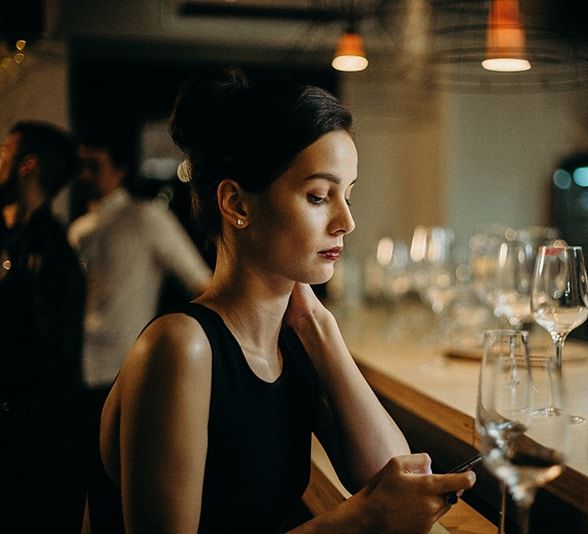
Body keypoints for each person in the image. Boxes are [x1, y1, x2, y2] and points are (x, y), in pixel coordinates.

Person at [86, 68, 476, 533]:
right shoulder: (180, 347)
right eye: (319, 196)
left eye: (348, 195)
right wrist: (358, 521)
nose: (347, 222)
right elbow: (379, 507)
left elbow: (394, 478)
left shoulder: (295, 341)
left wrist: (321, 328)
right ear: (237, 204)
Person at [67, 133, 212, 429]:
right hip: (76, 365)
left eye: (95, 166)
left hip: (125, 365)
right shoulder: (77, 230)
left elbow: (200, 282)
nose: (84, 176)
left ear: (120, 170)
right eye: (81, 166)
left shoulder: (146, 218)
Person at [0, 121, 86, 532]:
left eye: (4, 151)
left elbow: (55, 358)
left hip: (26, 444)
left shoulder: (54, 255)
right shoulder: (8, 237)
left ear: (27, 164)